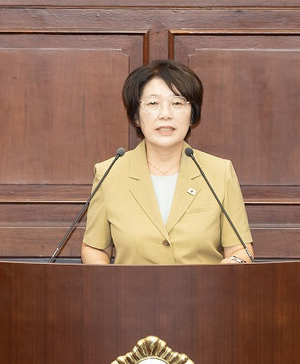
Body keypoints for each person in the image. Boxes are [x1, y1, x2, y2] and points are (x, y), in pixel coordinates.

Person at [81, 60, 253, 265]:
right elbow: (95, 248)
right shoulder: (109, 173)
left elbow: (240, 249)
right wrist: (107, 279)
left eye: (177, 103)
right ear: (136, 116)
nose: (165, 114)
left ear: (192, 114)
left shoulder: (219, 172)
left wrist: (236, 262)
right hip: (131, 287)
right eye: (153, 103)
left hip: (203, 286)